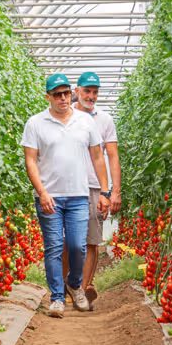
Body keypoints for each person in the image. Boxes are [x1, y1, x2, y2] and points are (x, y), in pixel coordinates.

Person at [21, 73, 110, 318]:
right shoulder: (36, 123)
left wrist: (105, 191)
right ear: (48, 96)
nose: (63, 98)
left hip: (79, 196)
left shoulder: (85, 122)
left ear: (71, 93)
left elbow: (98, 157)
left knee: (77, 247)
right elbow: (30, 160)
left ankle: (74, 284)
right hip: (50, 198)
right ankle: (57, 298)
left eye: (66, 93)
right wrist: (41, 192)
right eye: (57, 94)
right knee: (53, 248)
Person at [62, 71, 121, 307]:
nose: (91, 96)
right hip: (68, 186)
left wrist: (113, 192)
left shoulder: (104, 119)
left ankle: (83, 290)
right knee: (67, 241)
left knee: (91, 241)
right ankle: (68, 287)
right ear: (77, 91)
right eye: (87, 91)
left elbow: (113, 156)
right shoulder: (65, 114)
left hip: (95, 187)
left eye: (95, 92)